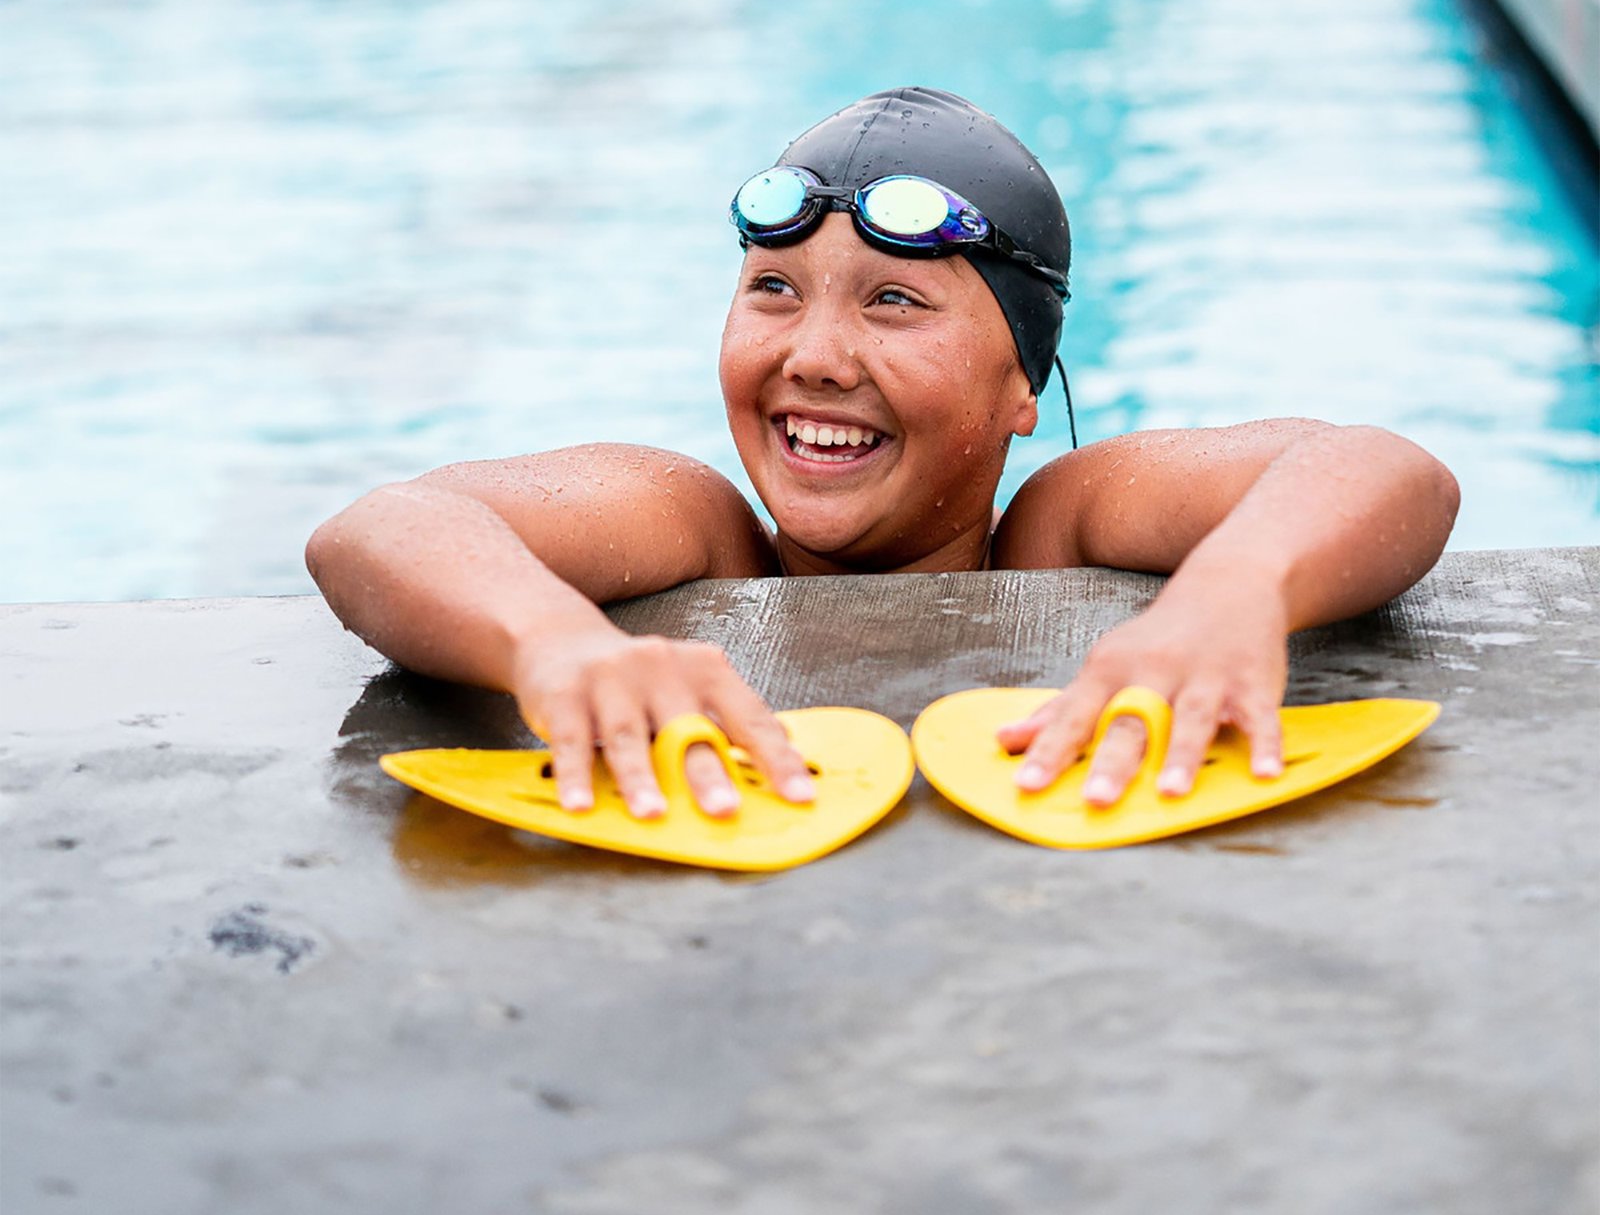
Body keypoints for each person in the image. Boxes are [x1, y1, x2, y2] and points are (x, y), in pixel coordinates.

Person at [307, 86, 1459, 824]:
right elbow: (381, 528)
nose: (814, 356)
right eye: (773, 289)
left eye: (894, 300)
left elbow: (1382, 470)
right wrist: (553, 643)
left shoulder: (1057, 528)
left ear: (1020, 387)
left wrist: (1235, 592)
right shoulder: (700, 528)